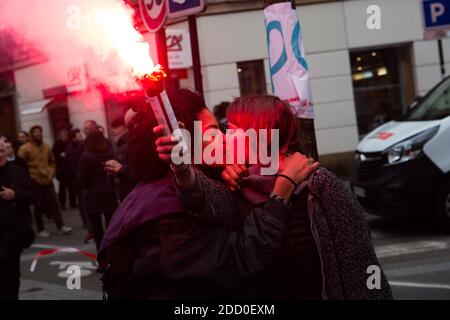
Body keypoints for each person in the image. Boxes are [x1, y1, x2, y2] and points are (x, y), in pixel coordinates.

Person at [165, 95, 392, 299]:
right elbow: (207, 201)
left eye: (232, 130)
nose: (225, 138)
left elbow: (361, 261)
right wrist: (184, 170)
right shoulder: (242, 183)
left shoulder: (319, 184)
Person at [98, 89, 317, 299]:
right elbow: (238, 260)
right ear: (185, 142)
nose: (224, 139)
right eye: (213, 132)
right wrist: (281, 192)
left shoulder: (196, 179)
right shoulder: (167, 212)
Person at [18, 125, 72, 238]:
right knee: (38, 205)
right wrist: (28, 177)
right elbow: (20, 165)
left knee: (54, 203)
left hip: (47, 179)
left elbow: (52, 161)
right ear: (31, 134)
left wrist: (51, 172)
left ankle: (61, 226)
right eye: (35, 132)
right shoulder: (25, 148)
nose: (38, 133)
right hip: (34, 180)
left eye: (39, 131)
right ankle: (41, 229)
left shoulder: (46, 147)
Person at [0, 140, 35, 300]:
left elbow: (33, 196)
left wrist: (16, 194)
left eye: (1, 151)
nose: (0, 155)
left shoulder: (18, 171)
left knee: (12, 275)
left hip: (14, 233)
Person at [80, 130, 118, 254]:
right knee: (110, 228)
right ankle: (112, 256)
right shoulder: (110, 154)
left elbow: (82, 179)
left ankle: (102, 259)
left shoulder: (85, 157)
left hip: (92, 195)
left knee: (97, 230)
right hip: (108, 193)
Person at [105, 116, 138, 201]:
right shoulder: (122, 144)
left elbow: (135, 172)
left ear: (124, 127)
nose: (112, 130)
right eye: (112, 128)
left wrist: (120, 169)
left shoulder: (128, 144)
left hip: (130, 192)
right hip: (128, 191)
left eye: (116, 128)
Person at [53, 129, 76, 209]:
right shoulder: (57, 144)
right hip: (61, 169)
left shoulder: (69, 143)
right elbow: (54, 156)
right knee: (62, 187)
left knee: (71, 187)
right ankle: (62, 204)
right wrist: (60, 155)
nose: (64, 135)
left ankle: (72, 203)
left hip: (69, 168)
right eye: (63, 134)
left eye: (65, 134)